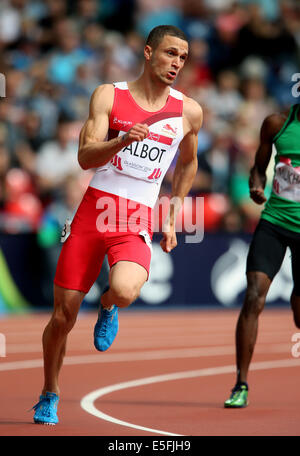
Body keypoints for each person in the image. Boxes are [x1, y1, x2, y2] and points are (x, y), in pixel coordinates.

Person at [31, 25, 203, 425]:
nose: (176, 63)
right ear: (148, 52)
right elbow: (85, 158)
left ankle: (106, 305)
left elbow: (189, 161)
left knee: (124, 290)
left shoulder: (188, 111)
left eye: (183, 57)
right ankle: (49, 392)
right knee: (62, 317)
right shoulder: (109, 95)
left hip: (135, 217)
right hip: (93, 213)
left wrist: (173, 215)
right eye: (169, 54)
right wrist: (121, 142)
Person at [224, 103, 300, 408]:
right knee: (254, 296)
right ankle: (240, 383)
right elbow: (258, 167)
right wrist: (256, 185)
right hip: (274, 222)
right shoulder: (275, 123)